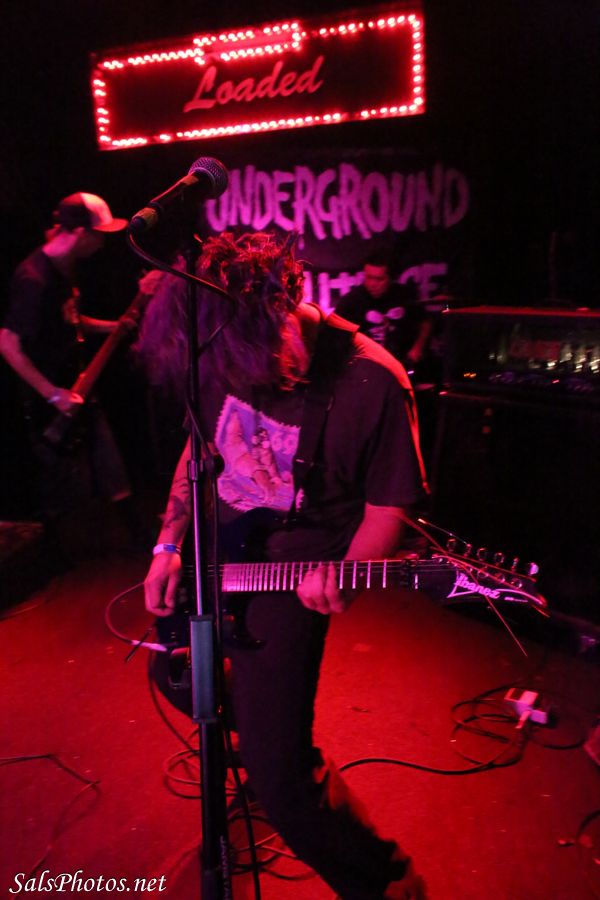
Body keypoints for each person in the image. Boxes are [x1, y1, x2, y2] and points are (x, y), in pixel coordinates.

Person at [139, 231, 428, 899]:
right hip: (216, 552)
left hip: (292, 576)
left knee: (283, 784)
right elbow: (196, 450)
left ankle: (387, 882)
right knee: (174, 672)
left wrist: (349, 575)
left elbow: (389, 509)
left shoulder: (372, 380)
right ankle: (260, 727)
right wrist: (166, 544)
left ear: (281, 311)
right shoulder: (217, 347)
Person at [0, 192, 135, 544]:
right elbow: (7, 343)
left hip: (77, 385)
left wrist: (112, 326)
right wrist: (51, 394)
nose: (102, 243)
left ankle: (136, 536)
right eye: (99, 235)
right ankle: (56, 552)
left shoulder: (64, 267)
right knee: (57, 478)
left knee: (108, 460)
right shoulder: (33, 278)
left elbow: (69, 319)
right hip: (49, 398)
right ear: (79, 233)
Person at [335, 250, 432, 372]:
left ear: (391, 279)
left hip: (402, 365)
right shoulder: (351, 301)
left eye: (379, 279)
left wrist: (418, 347)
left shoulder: (405, 295)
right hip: (365, 368)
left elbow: (425, 322)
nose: (372, 284)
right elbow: (335, 335)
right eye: (368, 277)